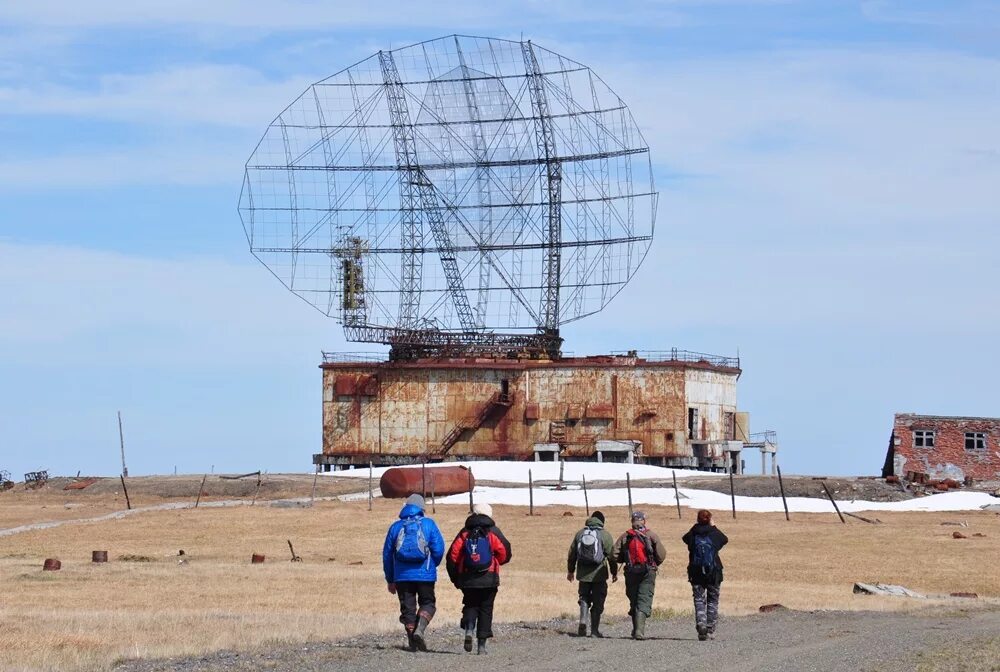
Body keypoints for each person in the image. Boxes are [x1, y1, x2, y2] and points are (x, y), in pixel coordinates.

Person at [382, 493, 446, 652]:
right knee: (428, 603)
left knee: (408, 608)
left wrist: (390, 579)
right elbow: (438, 549)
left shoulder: (396, 527)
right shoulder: (429, 524)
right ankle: (420, 630)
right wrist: (432, 565)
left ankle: (413, 643)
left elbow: (387, 555)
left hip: (402, 576)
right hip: (425, 574)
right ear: (422, 508)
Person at [446, 502, 512, 655]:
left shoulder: (464, 532)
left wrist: (455, 578)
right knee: (486, 609)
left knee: (470, 605)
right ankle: (481, 646)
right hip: (489, 578)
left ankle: (469, 630)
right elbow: (505, 553)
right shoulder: (493, 531)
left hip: (468, 579)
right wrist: (496, 561)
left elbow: (452, 556)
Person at [612, 510, 667, 640]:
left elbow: (613, 554)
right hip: (648, 572)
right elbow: (661, 554)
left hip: (631, 572)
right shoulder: (651, 535)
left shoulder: (625, 536)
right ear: (644, 521)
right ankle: (639, 631)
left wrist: (625, 560)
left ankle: (636, 629)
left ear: (632, 521)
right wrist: (654, 564)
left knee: (634, 599)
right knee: (644, 599)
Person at [567, 510, 618, 637]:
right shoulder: (605, 535)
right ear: (602, 522)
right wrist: (614, 572)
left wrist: (570, 571)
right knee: (598, 600)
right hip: (599, 575)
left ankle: (583, 620)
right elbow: (611, 556)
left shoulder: (580, 534)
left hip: (583, 575)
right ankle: (594, 631)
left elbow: (572, 554)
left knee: (583, 596)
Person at [682, 509, 728, 641]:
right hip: (714, 572)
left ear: (697, 519)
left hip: (696, 572)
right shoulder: (714, 534)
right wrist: (713, 526)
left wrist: (696, 526)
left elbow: (685, 538)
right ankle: (710, 629)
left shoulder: (693, 534)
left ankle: (701, 624)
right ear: (710, 519)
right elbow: (724, 539)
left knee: (699, 599)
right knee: (713, 600)